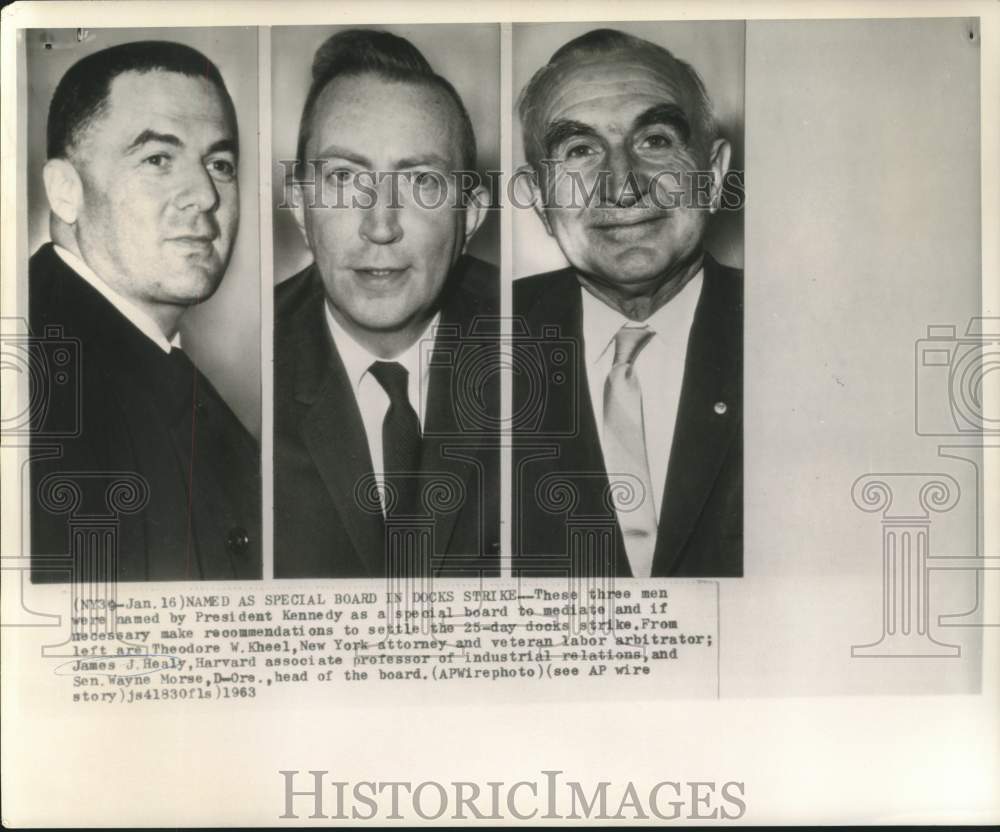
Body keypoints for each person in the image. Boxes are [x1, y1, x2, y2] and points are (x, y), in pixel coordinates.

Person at [513, 28, 742, 578]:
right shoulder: (473, 343)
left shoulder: (797, 332)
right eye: (580, 151)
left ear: (710, 176)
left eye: (656, 140)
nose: (622, 186)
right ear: (540, 198)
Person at [30, 41, 261, 582]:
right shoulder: (36, 383)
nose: (205, 195)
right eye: (158, 159)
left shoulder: (165, 371)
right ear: (66, 192)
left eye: (220, 163)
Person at [274, 29, 500, 579]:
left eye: (421, 182)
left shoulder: (545, 345)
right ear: (301, 206)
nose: (380, 225)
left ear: (470, 215)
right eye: (346, 179)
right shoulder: (239, 382)